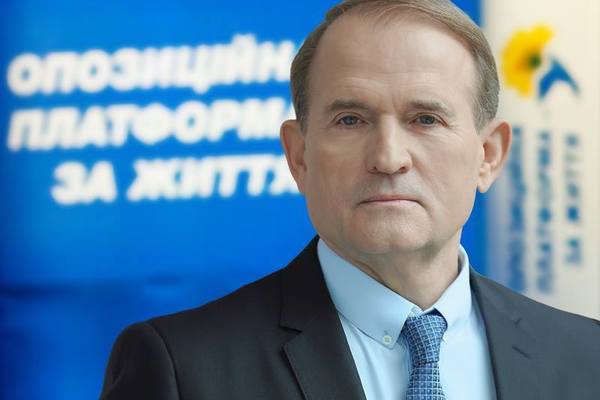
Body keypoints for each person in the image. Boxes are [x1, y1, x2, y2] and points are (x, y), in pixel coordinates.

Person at [100, 1, 600, 399]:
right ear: (299, 156)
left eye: (426, 119)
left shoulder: (587, 356)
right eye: (350, 120)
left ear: (487, 156)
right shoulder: (181, 369)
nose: (388, 157)